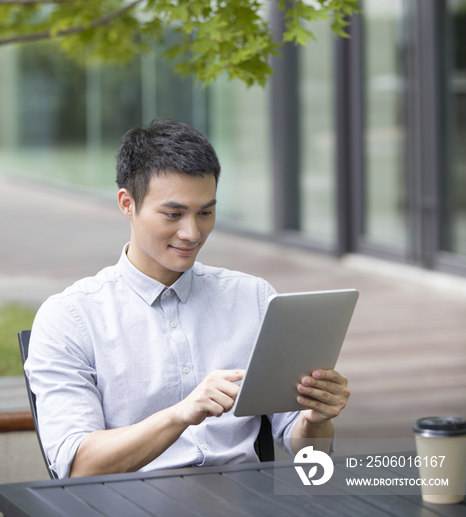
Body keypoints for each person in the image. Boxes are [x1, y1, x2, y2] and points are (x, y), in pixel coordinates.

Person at [25, 119, 349, 479]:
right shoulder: (70, 317)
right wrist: (181, 413)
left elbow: (308, 452)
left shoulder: (254, 299)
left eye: (206, 212)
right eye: (173, 214)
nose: (192, 233)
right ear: (127, 204)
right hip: (130, 510)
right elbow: (79, 466)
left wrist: (316, 420)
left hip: (246, 507)